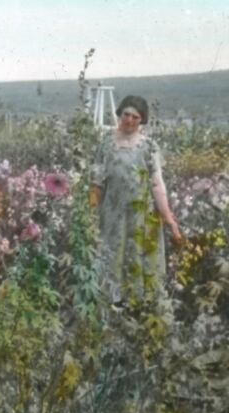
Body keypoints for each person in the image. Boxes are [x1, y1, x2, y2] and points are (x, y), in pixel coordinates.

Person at [90, 95, 182, 306]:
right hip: (113, 214)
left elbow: (157, 184)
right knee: (112, 255)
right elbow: (96, 183)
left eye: (135, 117)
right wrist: (91, 213)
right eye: (126, 115)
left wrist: (168, 217)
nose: (129, 120)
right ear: (120, 114)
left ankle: (140, 305)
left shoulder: (149, 147)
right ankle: (112, 304)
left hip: (143, 214)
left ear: (142, 120)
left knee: (141, 257)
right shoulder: (106, 144)